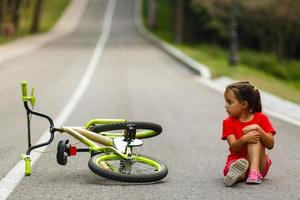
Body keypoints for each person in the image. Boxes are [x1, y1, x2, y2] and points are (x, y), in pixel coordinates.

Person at [222, 81, 276, 186]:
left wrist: (258, 129)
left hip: (260, 163)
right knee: (232, 167)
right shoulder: (227, 122)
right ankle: (238, 174)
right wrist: (244, 139)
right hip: (237, 159)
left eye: (229, 102)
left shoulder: (262, 118)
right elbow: (234, 148)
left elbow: (270, 145)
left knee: (254, 134)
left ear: (244, 104)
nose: (226, 106)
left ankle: (254, 172)